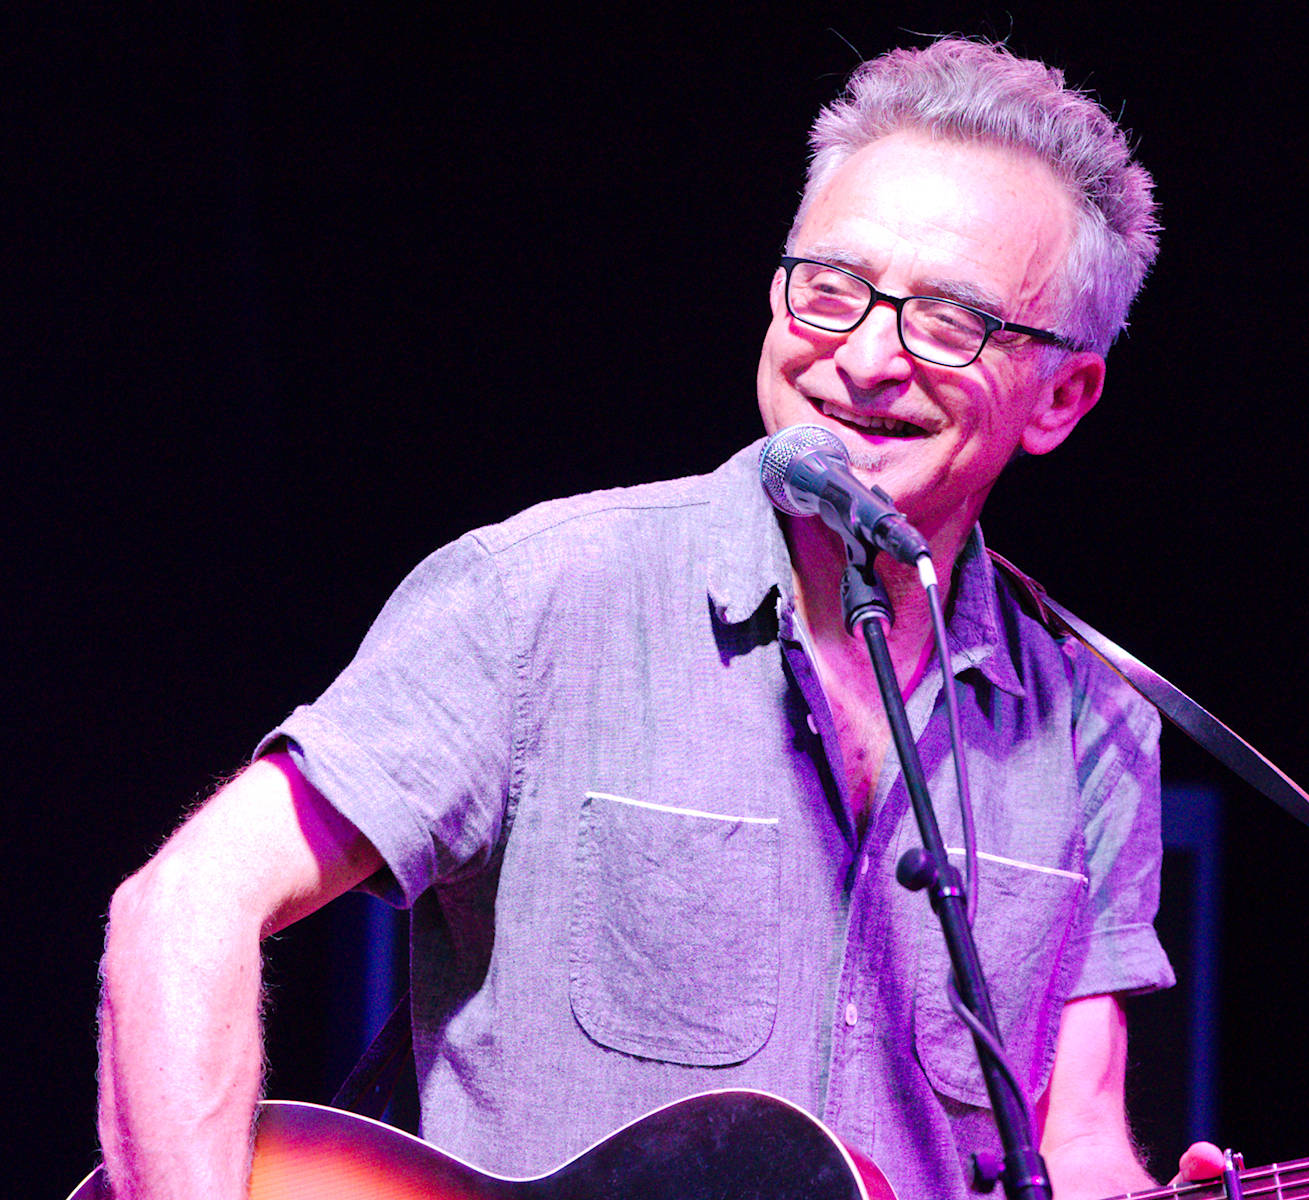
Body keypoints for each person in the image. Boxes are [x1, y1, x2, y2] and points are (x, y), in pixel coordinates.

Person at [96, 37, 1223, 1200]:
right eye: (831, 286)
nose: (866, 357)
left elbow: (1078, 1139)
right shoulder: (538, 600)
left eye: (948, 321)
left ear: (1061, 397)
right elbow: (182, 909)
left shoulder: (1091, 729)